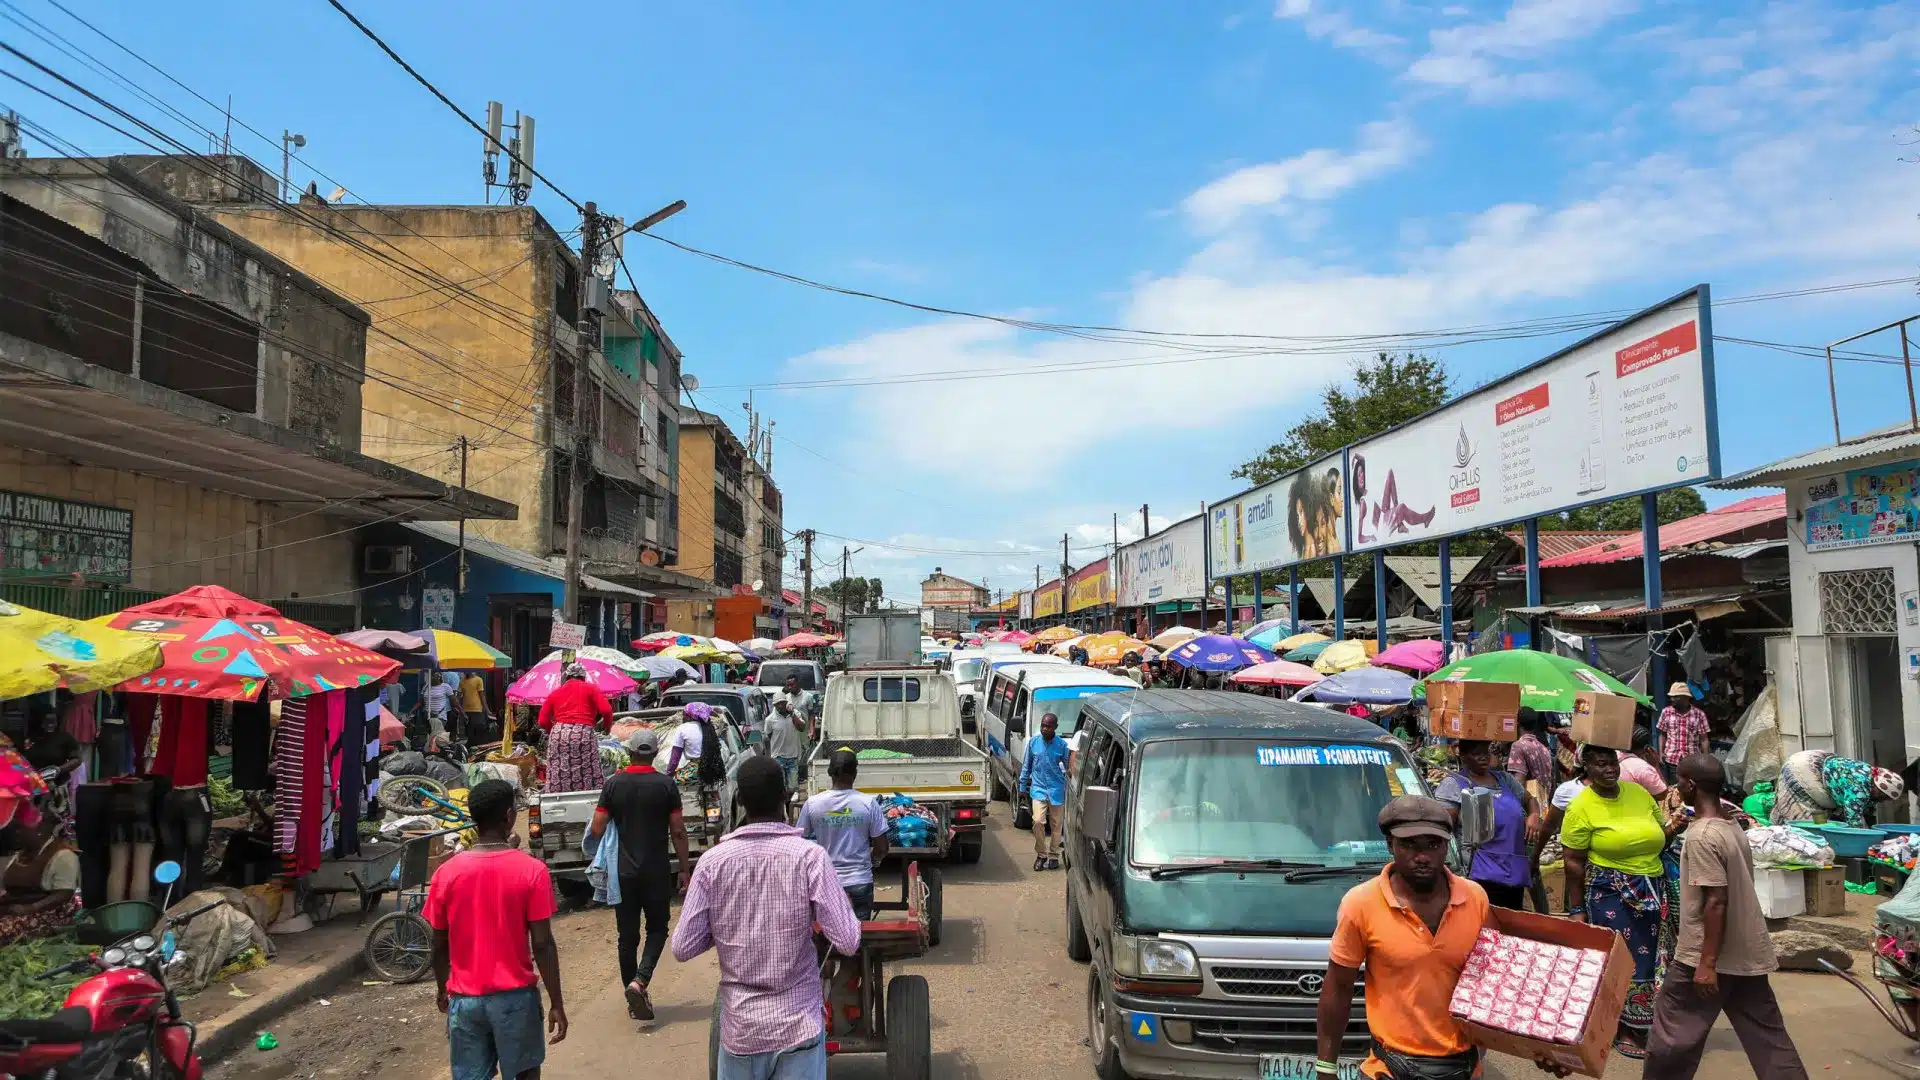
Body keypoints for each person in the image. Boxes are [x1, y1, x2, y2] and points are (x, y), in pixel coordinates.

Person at [671, 756, 860, 1080]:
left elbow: (683, 946)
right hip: (797, 1028)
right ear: (785, 798)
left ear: (740, 801)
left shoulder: (712, 862)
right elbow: (848, 939)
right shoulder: (809, 858)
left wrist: (725, 927)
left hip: (742, 1033)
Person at [1643, 754, 1809, 1080]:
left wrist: (1706, 964)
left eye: (1680, 780)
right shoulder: (1731, 826)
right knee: (1769, 1037)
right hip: (1746, 953)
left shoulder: (1703, 836)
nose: (1677, 787)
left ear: (1690, 784)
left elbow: (1715, 901)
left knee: (1670, 1037)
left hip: (1705, 958)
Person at [1317, 796, 1496, 1080]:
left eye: (1433, 845)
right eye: (1409, 844)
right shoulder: (1361, 903)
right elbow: (1338, 988)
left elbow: (1494, 984)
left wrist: (1545, 1050)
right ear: (1390, 845)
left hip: (1464, 1068)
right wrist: (1326, 1066)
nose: (1422, 856)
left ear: (1447, 845)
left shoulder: (1475, 899)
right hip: (1389, 1069)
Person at [425, 780, 566, 1080]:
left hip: (465, 1002)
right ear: (509, 817)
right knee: (526, 1074)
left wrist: (441, 989)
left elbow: (438, 943)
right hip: (516, 999)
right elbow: (543, 944)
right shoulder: (532, 871)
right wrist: (556, 1002)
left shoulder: (445, 874)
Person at [1560, 743, 1677, 1058]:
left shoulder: (1638, 794)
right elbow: (1572, 861)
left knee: (1655, 958)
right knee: (1623, 961)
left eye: (1612, 762)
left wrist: (1676, 827)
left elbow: (1657, 836)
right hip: (1611, 894)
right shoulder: (1581, 806)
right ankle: (1625, 1029)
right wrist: (1576, 909)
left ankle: (1647, 1024)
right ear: (1587, 768)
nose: (1609, 769)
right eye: (1600, 764)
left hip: (1653, 889)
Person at [590, 730, 689, 1022]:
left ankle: (631, 996)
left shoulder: (613, 784)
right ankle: (640, 981)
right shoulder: (666, 785)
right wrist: (684, 868)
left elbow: (597, 828)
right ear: (654, 753)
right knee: (658, 928)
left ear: (630, 752)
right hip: (656, 870)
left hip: (623, 873)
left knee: (627, 936)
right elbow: (678, 830)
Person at [1432, 739, 1539, 909]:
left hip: (1513, 870)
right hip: (1479, 873)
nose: (1483, 758)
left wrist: (1534, 815)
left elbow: (1530, 800)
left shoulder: (1504, 779)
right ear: (1464, 757)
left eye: (1485, 752)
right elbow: (1444, 828)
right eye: (1476, 753)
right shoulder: (1454, 784)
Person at [797, 748, 889, 918]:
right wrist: (874, 860)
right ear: (855, 773)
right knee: (858, 935)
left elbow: (799, 843)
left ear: (830, 773)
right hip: (859, 881)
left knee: (825, 937)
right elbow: (882, 847)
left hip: (825, 883)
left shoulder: (813, 804)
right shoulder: (868, 803)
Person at [0, 810, 79, 946]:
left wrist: (30, 908)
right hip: (16, 911)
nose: (16, 834)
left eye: (20, 829)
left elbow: (64, 894)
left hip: (49, 914)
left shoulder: (63, 855)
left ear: (38, 830)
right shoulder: (19, 855)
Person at [537, 663, 614, 793]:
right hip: (583, 732)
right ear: (583, 677)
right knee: (588, 768)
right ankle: (589, 794)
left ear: (566, 677)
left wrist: (556, 731)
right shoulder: (591, 689)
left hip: (559, 733)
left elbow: (542, 721)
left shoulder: (555, 692)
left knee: (559, 767)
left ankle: (557, 794)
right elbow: (606, 710)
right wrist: (607, 727)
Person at [1018, 713, 1070, 872]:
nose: (1044, 729)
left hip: (1056, 791)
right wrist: (1022, 787)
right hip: (1038, 790)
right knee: (1038, 821)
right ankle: (1041, 854)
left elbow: (1069, 768)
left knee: (1056, 825)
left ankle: (1054, 855)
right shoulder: (1033, 743)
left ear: (1055, 727)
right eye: (1042, 725)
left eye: (1048, 726)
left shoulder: (1062, 745)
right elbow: (1027, 766)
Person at [1656, 684, 1710, 783]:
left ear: (1686, 697)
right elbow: (1662, 734)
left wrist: (1705, 758)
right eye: (1671, 696)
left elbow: (1704, 739)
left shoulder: (1699, 714)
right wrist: (1661, 753)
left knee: (1691, 787)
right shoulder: (1666, 712)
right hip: (1672, 759)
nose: (1672, 699)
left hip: (1692, 760)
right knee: (1674, 788)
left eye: (1676, 697)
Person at [665, 701, 726, 786]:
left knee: (674, 783)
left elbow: (675, 759)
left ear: (690, 715)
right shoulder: (710, 728)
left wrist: (668, 775)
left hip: (695, 771)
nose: (683, 717)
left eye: (684, 714)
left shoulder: (682, 728)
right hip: (712, 770)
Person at [764, 700, 808, 793]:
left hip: (793, 756)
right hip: (778, 757)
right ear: (774, 705)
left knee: (793, 788)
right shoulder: (770, 719)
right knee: (780, 788)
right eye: (777, 704)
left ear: (786, 703)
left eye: (782, 703)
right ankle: (783, 806)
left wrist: (792, 714)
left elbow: (802, 728)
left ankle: (789, 805)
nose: (780, 706)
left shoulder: (795, 713)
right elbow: (769, 736)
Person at [1505, 707, 1554, 789]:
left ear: (1517, 723)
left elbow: (1519, 784)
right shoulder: (1544, 749)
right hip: (1543, 799)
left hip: (1528, 799)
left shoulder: (1518, 746)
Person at [459, 671, 491, 741]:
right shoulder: (462, 681)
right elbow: (461, 697)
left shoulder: (478, 680)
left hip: (477, 710)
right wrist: (461, 712)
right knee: (469, 733)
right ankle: (471, 749)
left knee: (479, 732)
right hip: (466, 711)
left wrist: (487, 709)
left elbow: (482, 696)